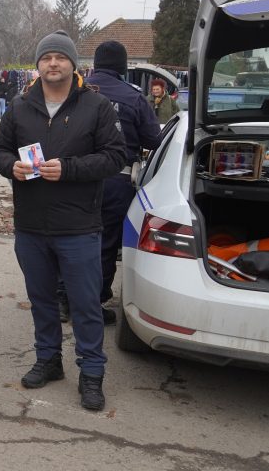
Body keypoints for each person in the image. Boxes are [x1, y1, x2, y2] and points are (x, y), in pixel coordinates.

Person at [0, 30, 126, 411]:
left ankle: (92, 373)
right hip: (31, 226)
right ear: (38, 65)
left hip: (79, 227)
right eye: (46, 58)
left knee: (84, 305)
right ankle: (48, 361)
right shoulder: (19, 106)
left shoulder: (96, 107)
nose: (53, 63)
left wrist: (68, 169)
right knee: (42, 300)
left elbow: (115, 156)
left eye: (60, 58)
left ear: (73, 64)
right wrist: (10, 167)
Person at [87, 41, 161, 325]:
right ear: (122, 66)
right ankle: (94, 302)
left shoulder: (76, 90)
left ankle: (63, 297)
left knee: (71, 236)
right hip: (116, 181)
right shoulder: (134, 97)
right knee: (105, 243)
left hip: (75, 178)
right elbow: (153, 139)